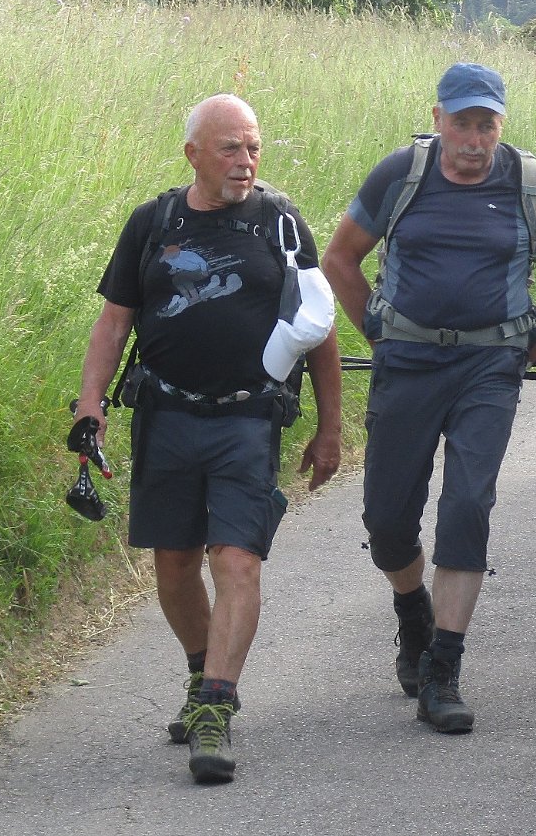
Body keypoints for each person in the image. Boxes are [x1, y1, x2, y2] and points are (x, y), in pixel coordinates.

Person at [73, 93, 343, 783]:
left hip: (249, 420)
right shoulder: (152, 223)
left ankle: (216, 708)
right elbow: (114, 322)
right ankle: (201, 674)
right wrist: (91, 403)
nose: (245, 161)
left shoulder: (281, 223)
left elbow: (319, 329)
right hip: (165, 416)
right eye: (230, 148)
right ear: (193, 154)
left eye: (253, 147)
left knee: (237, 561)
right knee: (173, 566)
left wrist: (329, 428)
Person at [321, 62, 536, 733]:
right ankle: (412, 610)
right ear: (438, 118)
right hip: (407, 363)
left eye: (486, 126)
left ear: (500, 125)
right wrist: (379, 333)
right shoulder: (400, 175)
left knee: (468, 504)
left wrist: (521, 351)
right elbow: (339, 259)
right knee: (387, 523)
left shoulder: (527, 184)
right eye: (463, 124)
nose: (474, 140)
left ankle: (442, 670)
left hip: (486, 369)